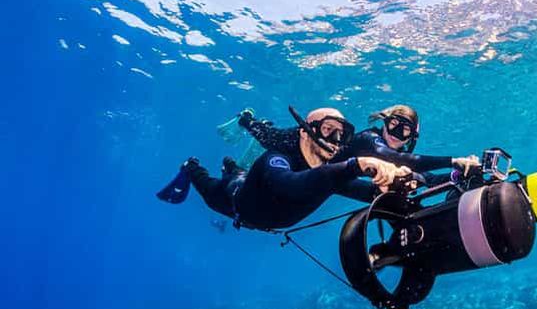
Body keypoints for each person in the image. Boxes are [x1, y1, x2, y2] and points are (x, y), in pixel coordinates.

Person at [157, 107, 410, 231]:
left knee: (239, 172)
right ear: (306, 130)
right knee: (211, 187)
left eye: (341, 136)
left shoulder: (331, 173)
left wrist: (403, 185)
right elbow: (290, 184)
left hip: (255, 189)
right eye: (327, 130)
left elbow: (370, 194)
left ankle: (231, 166)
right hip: (235, 199)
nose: (334, 141)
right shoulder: (276, 158)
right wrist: (356, 165)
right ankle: (192, 166)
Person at [234, 104, 480, 184]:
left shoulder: (393, 154)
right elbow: (401, 159)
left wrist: (458, 175)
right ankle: (248, 120)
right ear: (384, 124)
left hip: (316, 171)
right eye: (393, 124)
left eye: (404, 130)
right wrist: (453, 160)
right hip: (303, 149)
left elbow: (424, 177)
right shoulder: (369, 140)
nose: (395, 133)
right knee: (268, 137)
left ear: (412, 136)